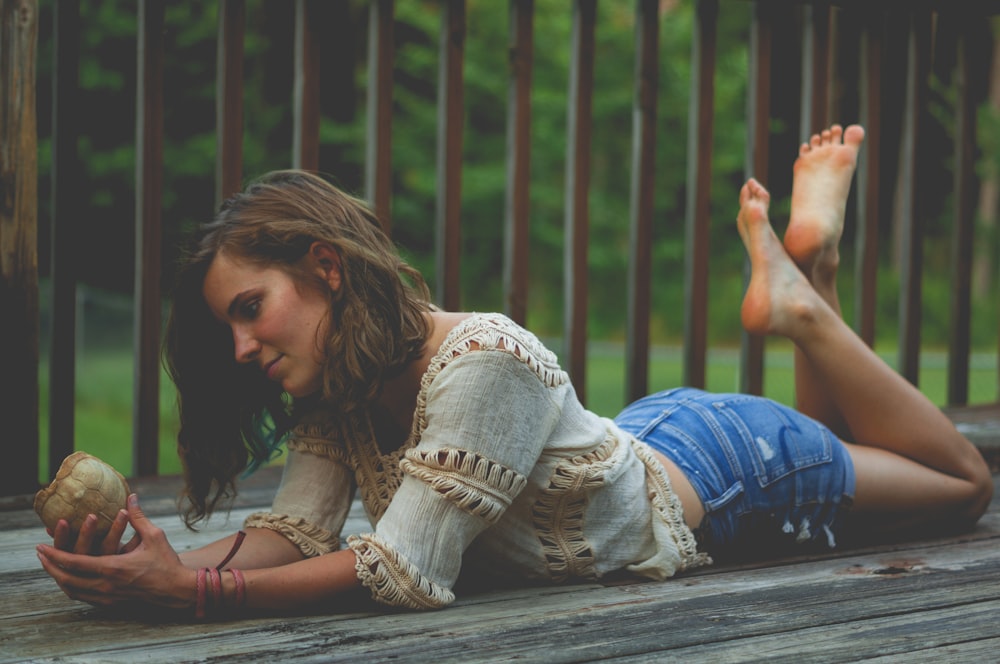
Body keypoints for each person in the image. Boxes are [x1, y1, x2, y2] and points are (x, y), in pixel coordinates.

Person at [36, 124, 993, 617]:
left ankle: (800, 300)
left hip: (733, 465)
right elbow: (295, 532)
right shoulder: (341, 384)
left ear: (325, 268)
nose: (243, 348)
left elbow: (404, 567)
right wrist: (141, 568)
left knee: (961, 487)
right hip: (654, 446)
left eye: (252, 309)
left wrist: (194, 596)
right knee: (860, 452)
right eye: (229, 328)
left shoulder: (482, 358)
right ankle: (808, 275)